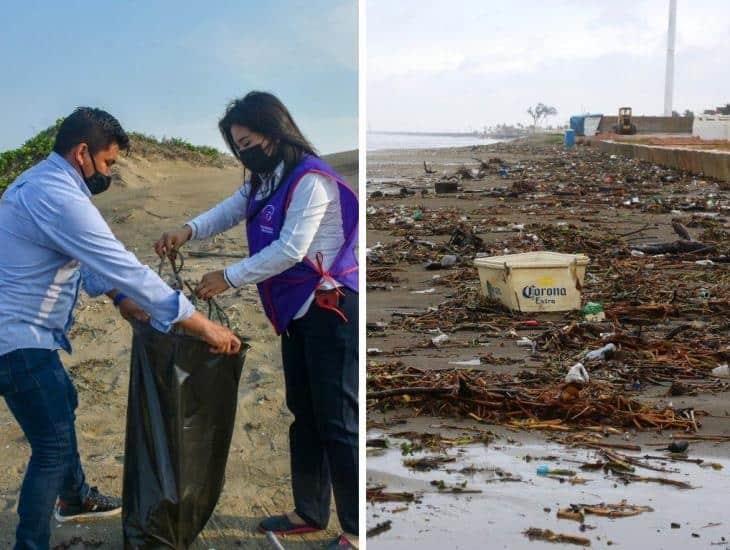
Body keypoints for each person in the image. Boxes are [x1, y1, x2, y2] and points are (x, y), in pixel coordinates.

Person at [0, 107, 241, 550]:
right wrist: (201, 325)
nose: (109, 172)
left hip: (21, 338)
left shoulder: (37, 184)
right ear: (81, 154)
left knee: (61, 404)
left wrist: (119, 300)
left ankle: (74, 497)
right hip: (17, 341)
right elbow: (123, 266)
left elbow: (81, 261)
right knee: (50, 449)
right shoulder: (59, 197)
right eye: (108, 163)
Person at [155, 91, 359, 549]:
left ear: (274, 132)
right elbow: (230, 210)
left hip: (333, 310)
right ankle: (309, 510)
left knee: (339, 420)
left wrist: (227, 277)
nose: (244, 152)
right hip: (295, 311)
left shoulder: (311, 179)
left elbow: (290, 248)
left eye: (248, 142)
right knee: (304, 414)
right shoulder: (265, 180)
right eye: (237, 145)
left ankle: (357, 528)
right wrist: (186, 230)